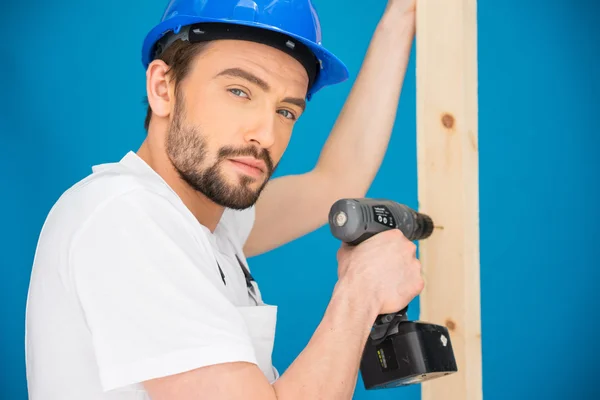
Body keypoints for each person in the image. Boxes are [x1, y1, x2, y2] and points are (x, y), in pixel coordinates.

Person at [25, 0, 422, 399]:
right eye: (239, 91)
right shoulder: (125, 216)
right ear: (163, 87)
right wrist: (361, 294)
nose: (265, 134)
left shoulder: (206, 224)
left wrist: (401, 17)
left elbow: (336, 179)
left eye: (286, 111)